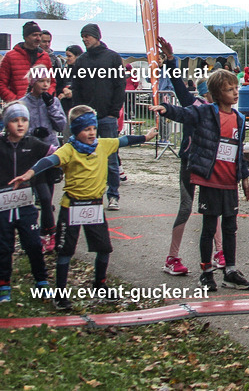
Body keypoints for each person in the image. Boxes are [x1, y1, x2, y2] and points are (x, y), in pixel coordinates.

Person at [9, 105, 156, 310]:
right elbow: (49, 160)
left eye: (93, 129)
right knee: (65, 251)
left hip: (94, 206)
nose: (91, 133)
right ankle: (60, 294)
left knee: (104, 248)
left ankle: (100, 285)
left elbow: (123, 141)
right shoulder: (69, 150)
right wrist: (30, 173)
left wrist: (146, 137)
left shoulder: (103, 145)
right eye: (86, 129)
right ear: (76, 131)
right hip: (72, 207)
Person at [151, 69, 249, 292]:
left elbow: (239, 152)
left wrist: (244, 177)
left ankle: (230, 270)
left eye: (236, 88)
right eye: (229, 90)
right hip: (210, 179)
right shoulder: (206, 112)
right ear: (217, 93)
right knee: (209, 227)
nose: (236, 93)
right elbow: (184, 114)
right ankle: (206, 271)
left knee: (230, 227)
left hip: (229, 181)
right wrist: (165, 109)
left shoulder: (240, 119)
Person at [158, 37, 224, 276]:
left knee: (212, 208)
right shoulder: (194, 104)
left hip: (211, 165)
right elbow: (178, 86)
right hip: (190, 162)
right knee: (186, 207)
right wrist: (170, 60)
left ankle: (219, 252)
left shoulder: (224, 110)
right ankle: (172, 257)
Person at [70, 24, 127, 211]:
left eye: (87, 36)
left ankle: (113, 195)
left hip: (107, 116)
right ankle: (90, 193)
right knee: (86, 156)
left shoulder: (112, 58)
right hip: (87, 117)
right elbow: (76, 88)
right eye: (82, 36)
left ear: (97, 37)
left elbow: (120, 85)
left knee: (110, 157)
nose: (85, 39)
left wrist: (114, 110)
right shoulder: (81, 61)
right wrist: (78, 111)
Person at [0, 103, 51, 303]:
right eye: (15, 120)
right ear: (6, 123)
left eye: (24, 120)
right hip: (2, 207)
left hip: (26, 205)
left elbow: (57, 154)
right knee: (4, 246)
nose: (20, 125)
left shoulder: (34, 143)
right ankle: (4, 283)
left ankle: (41, 281)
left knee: (33, 244)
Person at [20, 66, 67, 252]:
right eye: (41, 81)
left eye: (48, 81)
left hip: (50, 151)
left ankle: (48, 232)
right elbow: (18, 128)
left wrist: (51, 106)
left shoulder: (52, 101)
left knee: (48, 196)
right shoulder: (23, 103)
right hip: (31, 154)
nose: (45, 85)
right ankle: (45, 231)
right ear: (32, 82)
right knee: (44, 198)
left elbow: (61, 124)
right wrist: (32, 133)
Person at [0, 21, 54, 103]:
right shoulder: (10, 56)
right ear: (25, 37)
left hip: (40, 106)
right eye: (34, 35)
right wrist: (15, 101)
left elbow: (52, 82)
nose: (38, 38)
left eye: (39, 35)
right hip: (19, 107)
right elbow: (2, 84)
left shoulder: (45, 56)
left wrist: (47, 98)